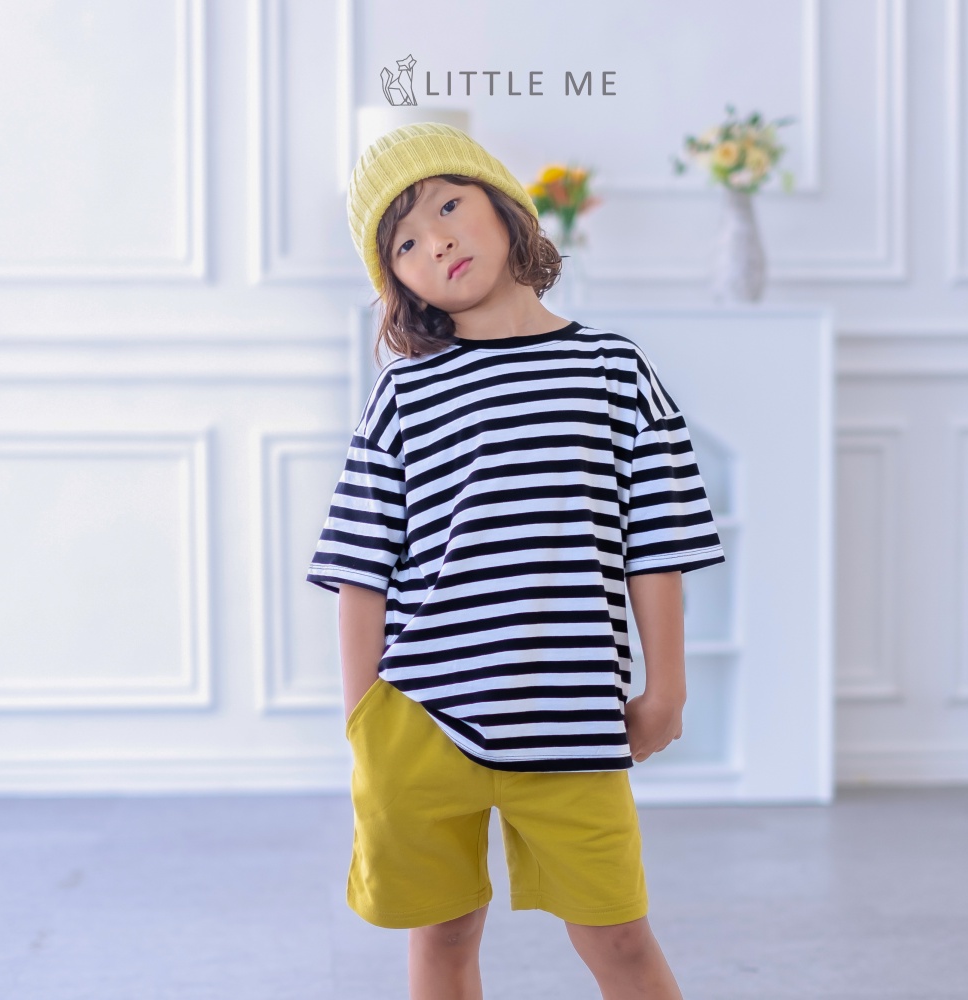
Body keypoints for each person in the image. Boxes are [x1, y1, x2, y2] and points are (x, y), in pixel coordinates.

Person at [306, 122, 726, 1000]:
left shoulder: (612, 369)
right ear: (398, 282)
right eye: (404, 243)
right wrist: (364, 726)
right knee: (443, 935)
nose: (436, 242)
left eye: (448, 206)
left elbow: (659, 545)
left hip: (571, 720)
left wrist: (668, 690)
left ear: (504, 208)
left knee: (619, 939)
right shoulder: (404, 393)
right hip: (419, 718)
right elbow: (360, 568)